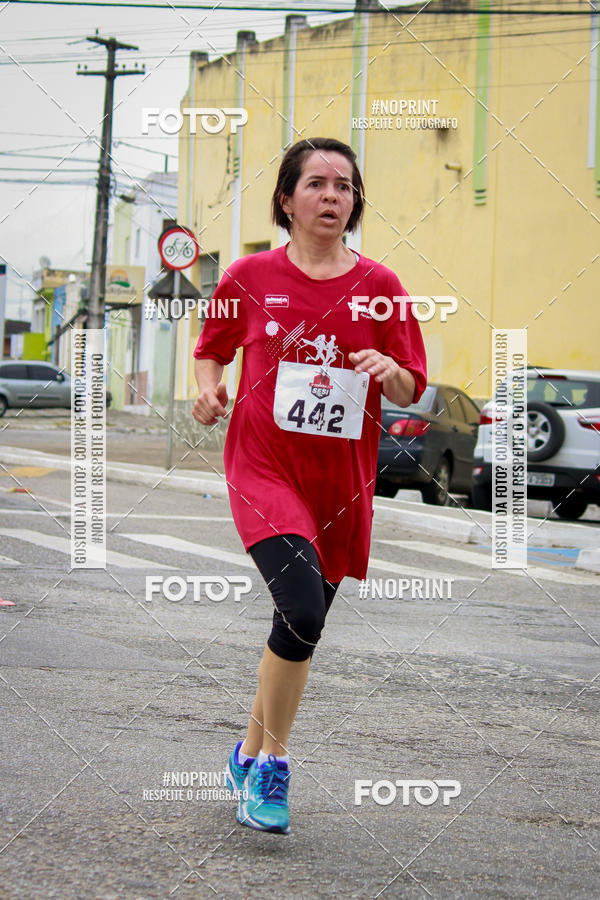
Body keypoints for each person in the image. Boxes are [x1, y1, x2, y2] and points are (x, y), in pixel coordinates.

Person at [191, 137, 427, 835]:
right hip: (264, 466)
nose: (333, 196)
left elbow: (414, 384)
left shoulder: (380, 287)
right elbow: (211, 352)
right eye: (318, 183)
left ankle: (247, 749)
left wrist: (390, 369)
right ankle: (273, 769)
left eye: (345, 186)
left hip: (340, 481)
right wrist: (210, 392)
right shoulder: (249, 276)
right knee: (302, 609)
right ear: (287, 199)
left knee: (297, 627)